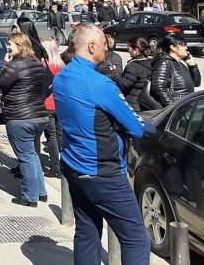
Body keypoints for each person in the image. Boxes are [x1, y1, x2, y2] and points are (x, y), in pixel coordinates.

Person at [53, 24, 154, 265]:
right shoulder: (100, 84)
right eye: (104, 45)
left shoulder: (61, 77)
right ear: (91, 47)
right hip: (102, 171)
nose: (107, 49)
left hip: (74, 166)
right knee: (136, 238)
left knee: (87, 231)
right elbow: (137, 127)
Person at [0, 31, 50, 207]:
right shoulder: (37, 63)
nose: (8, 47)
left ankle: (30, 196)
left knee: (26, 157)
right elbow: (46, 87)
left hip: (20, 116)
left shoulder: (15, 65)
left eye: (10, 44)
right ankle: (41, 191)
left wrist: (5, 63)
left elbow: (1, 82)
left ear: (19, 46)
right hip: (39, 115)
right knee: (33, 155)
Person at [150, 36, 201, 107]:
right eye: (182, 45)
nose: (186, 48)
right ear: (173, 48)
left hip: (184, 104)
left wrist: (193, 66)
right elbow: (157, 88)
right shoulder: (164, 62)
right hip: (176, 107)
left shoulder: (180, 64)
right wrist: (172, 106)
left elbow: (196, 83)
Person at [114, 37, 161, 112]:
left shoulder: (133, 66)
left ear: (136, 49)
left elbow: (124, 85)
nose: (128, 51)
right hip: (146, 104)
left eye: (129, 48)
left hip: (133, 105)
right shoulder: (151, 62)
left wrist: (114, 74)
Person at [41, 37, 64, 178]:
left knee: (51, 137)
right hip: (60, 104)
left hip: (47, 104)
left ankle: (55, 166)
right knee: (60, 135)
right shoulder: (61, 65)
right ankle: (62, 164)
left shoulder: (44, 65)